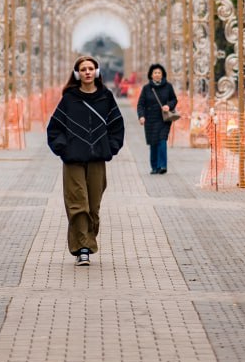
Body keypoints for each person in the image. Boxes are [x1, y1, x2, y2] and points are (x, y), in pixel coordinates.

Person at [46, 55, 125, 267]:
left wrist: (111, 147)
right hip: (73, 161)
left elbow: (117, 124)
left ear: (97, 72)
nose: (87, 72)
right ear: (77, 74)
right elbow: (54, 128)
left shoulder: (106, 97)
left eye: (91, 68)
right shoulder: (70, 99)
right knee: (77, 204)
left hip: (97, 160)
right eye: (83, 69)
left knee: (93, 207)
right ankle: (83, 249)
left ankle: (88, 239)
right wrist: (64, 149)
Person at [137, 63, 178, 175]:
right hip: (150, 120)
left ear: (162, 74)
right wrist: (141, 116)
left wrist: (168, 106)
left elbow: (174, 99)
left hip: (164, 119)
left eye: (159, 72)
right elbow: (141, 104)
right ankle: (154, 167)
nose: (157, 74)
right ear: (151, 75)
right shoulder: (146, 88)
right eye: (155, 72)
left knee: (162, 140)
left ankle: (163, 166)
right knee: (153, 143)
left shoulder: (168, 86)